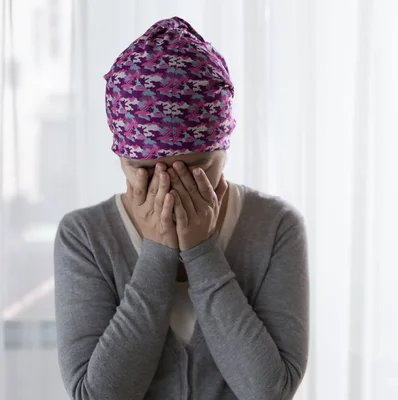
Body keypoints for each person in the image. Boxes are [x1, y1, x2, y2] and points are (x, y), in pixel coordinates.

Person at [53, 17, 309, 400]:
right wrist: (157, 254)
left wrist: (202, 251)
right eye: (144, 169)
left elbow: (269, 391)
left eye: (195, 167)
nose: (169, 187)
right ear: (121, 157)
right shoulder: (84, 236)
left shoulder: (276, 227)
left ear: (224, 148)